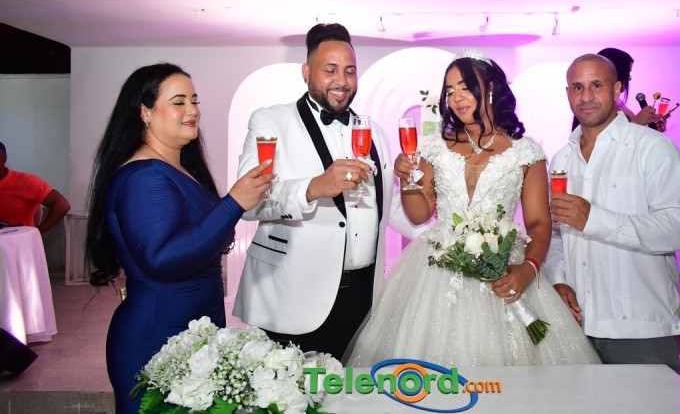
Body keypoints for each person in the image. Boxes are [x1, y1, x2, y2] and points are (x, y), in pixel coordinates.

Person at [346, 50, 600, 367]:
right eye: (450, 91)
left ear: (490, 87)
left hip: (505, 268)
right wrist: (407, 178)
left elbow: (538, 223)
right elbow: (419, 214)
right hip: (438, 271)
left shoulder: (526, 153)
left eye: (465, 87)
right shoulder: (436, 148)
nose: (457, 98)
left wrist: (528, 269)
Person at [84, 63, 273, 414]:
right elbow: (163, 259)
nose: (192, 110)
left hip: (194, 332)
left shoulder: (178, 168)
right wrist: (234, 203)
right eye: (179, 102)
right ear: (145, 112)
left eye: (194, 100)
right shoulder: (145, 176)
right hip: (158, 336)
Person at [233, 23, 420, 360]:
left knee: (354, 390)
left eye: (349, 71)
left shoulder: (374, 132)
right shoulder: (270, 121)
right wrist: (314, 187)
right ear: (307, 72)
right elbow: (248, 204)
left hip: (364, 300)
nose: (342, 81)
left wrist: (448, 238)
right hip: (291, 297)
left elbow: (387, 207)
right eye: (330, 70)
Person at [545, 53, 680, 373]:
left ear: (616, 90)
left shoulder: (652, 148)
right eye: (577, 87)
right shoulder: (561, 160)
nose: (586, 96)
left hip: (640, 330)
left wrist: (595, 219)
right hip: (577, 327)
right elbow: (557, 234)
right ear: (568, 93)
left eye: (596, 85)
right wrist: (558, 280)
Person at [570, 48, 667, 132]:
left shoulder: (618, 103)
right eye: (627, 72)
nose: (629, 78)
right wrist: (637, 122)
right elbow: (601, 140)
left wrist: (651, 130)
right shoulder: (596, 105)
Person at [0, 141, 71, 234]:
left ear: (4, 158)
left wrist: (37, 233)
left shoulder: (26, 182)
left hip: (20, 241)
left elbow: (62, 205)